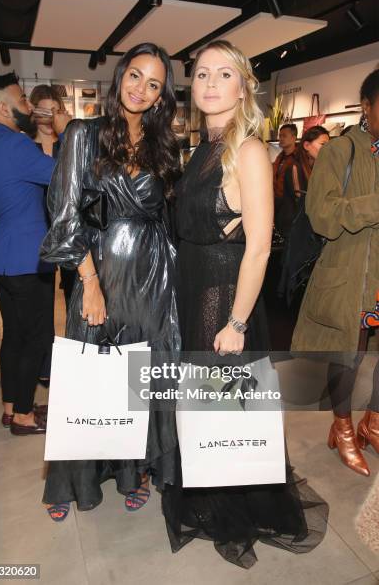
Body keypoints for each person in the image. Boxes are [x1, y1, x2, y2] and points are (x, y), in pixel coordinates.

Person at [163, 40, 327, 569]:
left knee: (224, 408)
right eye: (202, 73)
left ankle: (235, 508)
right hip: (196, 289)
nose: (210, 83)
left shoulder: (250, 150)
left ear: (243, 85)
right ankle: (212, 494)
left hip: (221, 298)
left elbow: (259, 244)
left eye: (223, 74)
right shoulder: (206, 145)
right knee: (206, 406)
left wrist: (235, 321)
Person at [40, 43, 181, 522]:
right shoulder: (84, 134)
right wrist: (90, 282)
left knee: (135, 378)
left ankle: (133, 471)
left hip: (153, 275)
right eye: (136, 76)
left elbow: (167, 218)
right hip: (101, 272)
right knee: (91, 376)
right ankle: (74, 479)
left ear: (162, 97)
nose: (142, 88)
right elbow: (64, 217)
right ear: (121, 76)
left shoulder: (164, 146)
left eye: (155, 84)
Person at [291, 68, 379, 476]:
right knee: (350, 354)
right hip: (352, 276)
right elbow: (322, 216)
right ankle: (342, 428)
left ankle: (373, 421)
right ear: (367, 106)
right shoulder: (340, 151)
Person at [0, 72, 70, 435]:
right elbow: (67, 176)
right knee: (35, 338)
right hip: (27, 259)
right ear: (3, 108)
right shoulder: (17, 146)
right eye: (23, 101)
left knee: (13, 336)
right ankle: (26, 416)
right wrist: (65, 128)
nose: (29, 107)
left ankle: (11, 407)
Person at [29, 85, 76, 310]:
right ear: (34, 113)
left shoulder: (69, 145)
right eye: (44, 113)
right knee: (40, 306)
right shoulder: (26, 148)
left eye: (55, 112)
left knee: (74, 297)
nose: (49, 120)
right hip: (37, 233)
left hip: (68, 228)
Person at [276, 125, 330, 236]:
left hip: (306, 228)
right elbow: (302, 202)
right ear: (306, 145)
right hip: (296, 230)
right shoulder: (295, 168)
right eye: (323, 144)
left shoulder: (318, 167)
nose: (327, 149)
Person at [273, 123, 297, 220]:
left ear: (293, 138)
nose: (281, 138)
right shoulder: (279, 157)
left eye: (284, 136)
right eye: (280, 135)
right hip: (276, 202)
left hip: (290, 206)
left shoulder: (299, 157)